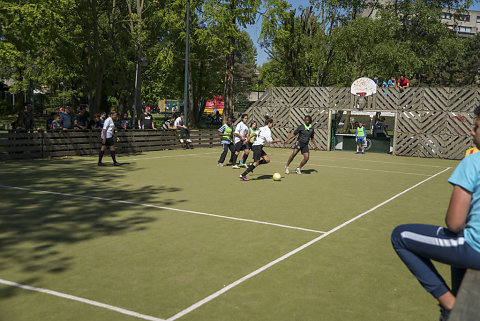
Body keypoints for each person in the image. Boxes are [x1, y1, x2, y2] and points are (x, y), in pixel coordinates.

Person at [391, 105, 480, 321]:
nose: (472, 132)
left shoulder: (473, 161)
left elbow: (455, 223)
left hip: (475, 248)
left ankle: (450, 304)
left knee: (401, 236)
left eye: (476, 127)